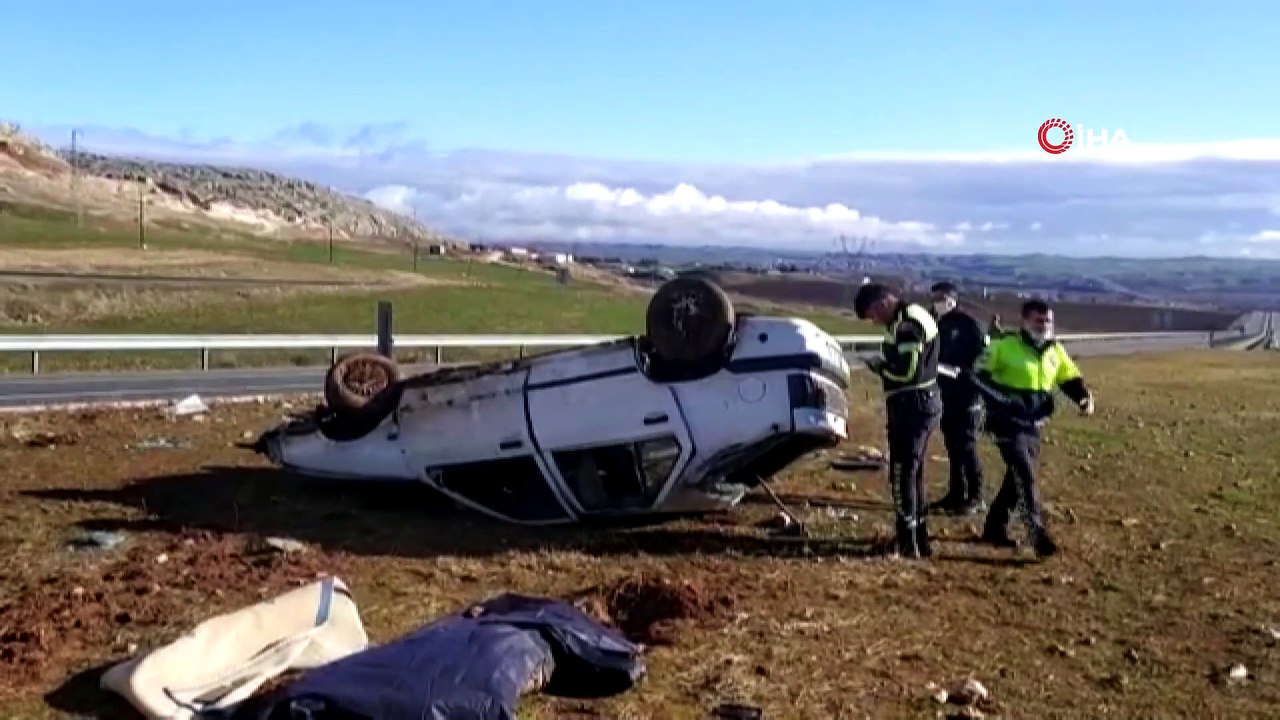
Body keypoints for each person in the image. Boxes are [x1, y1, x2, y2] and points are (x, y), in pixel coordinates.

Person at [967, 298, 1095, 559]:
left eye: (1048, 321)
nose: (1045, 325)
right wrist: (1003, 399)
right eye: (1039, 320)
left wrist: (1083, 397)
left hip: (1033, 423)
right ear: (1025, 321)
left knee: (1016, 478)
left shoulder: (1055, 350)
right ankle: (1036, 535)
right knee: (1024, 473)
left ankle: (994, 528)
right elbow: (977, 375)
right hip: (1005, 422)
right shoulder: (1004, 346)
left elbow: (1068, 377)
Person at [853, 282, 943, 559]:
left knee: (903, 473)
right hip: (921, 402)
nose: (874, 322)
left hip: (912, 404)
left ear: (882, 303)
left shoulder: (907, 325)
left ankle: (907, 542)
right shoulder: (915, 315)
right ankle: (919, 539)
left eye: (872, 316)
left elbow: (906, 372)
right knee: (913, 474)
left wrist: (879, 365)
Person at [927, 282, 989, 515]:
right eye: (935, 298)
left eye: (942, 297)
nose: (938, 302)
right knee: (952, 445)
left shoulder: (968, 324)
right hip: (945, 393)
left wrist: (967, 374)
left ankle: (976, 496)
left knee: (966, 445)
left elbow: (984, 358)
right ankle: (955, 493)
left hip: (967, 394)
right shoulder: (936, 323)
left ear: (953, 298)